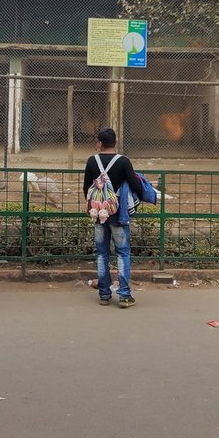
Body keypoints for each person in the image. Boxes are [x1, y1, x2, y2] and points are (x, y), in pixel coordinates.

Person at [83, 126, 148, 308]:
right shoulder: (123, 161)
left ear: (100, 143)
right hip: (119, 215)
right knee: (123, 253)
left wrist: (97, 204)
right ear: (115, 142)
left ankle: (104, 295)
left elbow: (86, 187)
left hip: (98, 214)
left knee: (102, 254)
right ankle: (125, 296)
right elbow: (136, 185)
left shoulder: (92, 161)